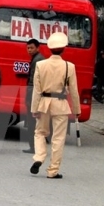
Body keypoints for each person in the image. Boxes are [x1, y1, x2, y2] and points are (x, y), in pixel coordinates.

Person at [29, 32, 81, 179]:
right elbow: (74, 91)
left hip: (44, 103)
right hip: (61, 104)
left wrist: (34, 108)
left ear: (49, 48)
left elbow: (37, 89)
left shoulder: (40, 64)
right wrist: (77, 110)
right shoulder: (69, 66)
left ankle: (39, 157)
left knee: (39, 132)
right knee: (58, 138)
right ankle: (53, 171)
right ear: (63, 48)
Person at [22, 38, 45, 154]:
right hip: (35, 94)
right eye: (28, 48)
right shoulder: (37, 59)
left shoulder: (38, 60)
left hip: (34, 94)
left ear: (37, 48)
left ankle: (34, 147)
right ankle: (35, 146)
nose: (29, 50)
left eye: (31, 48)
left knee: (32, 122)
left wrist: (28, 97)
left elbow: (33, 82)